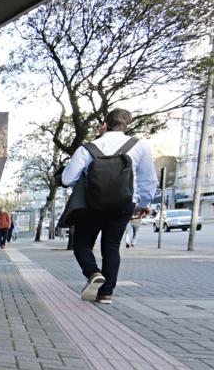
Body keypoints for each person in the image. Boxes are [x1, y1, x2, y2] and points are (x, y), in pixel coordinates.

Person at [61, 109, 156, 304]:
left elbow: (67, 179)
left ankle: (93, 273)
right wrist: (143, 204)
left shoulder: (87, 148)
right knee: (111, 248)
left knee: (82, 245)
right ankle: (106, 293)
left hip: (91, 205)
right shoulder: (140, 146)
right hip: (123, 204)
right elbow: (149, 179)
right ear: (126, 125)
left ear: (104, 124)